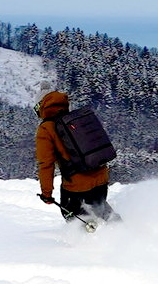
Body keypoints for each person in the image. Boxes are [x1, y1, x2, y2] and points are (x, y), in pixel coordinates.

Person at [35, 90, 116, 222]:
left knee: (77, 220)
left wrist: (46, 194)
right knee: (101, 213)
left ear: (41, 106)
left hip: (77, 185)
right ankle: (124, 232)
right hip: (101, 177)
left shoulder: (46, 129)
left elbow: (46, 164)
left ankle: (90, 241)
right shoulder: (76, 118)